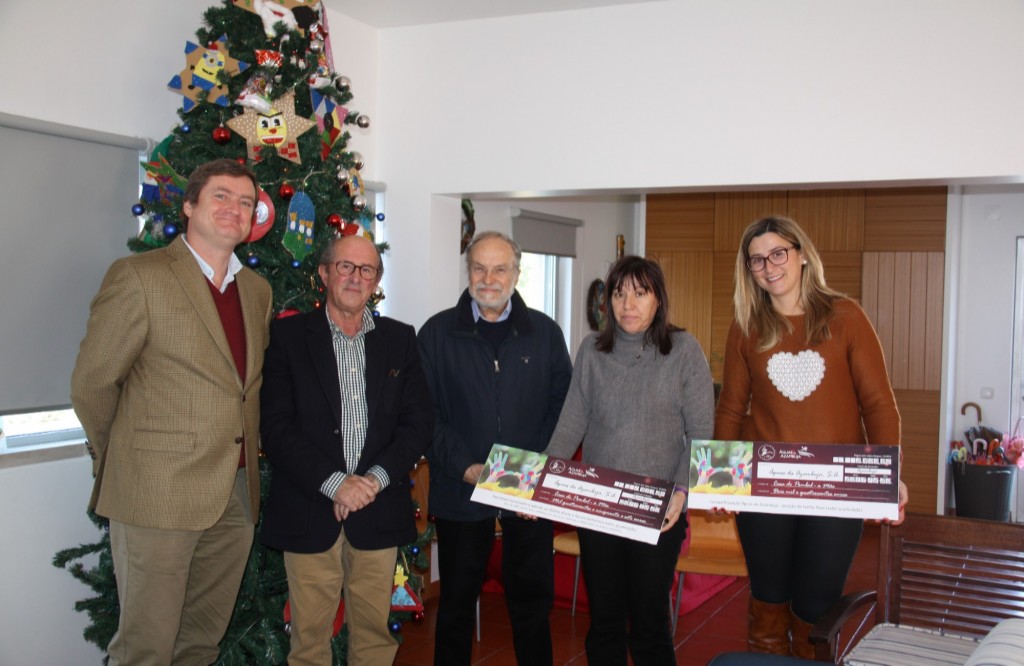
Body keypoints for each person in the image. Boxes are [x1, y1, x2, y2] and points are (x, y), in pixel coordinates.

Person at [70, 158, 273, 665]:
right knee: (146, 647)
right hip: (156, 493)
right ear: (189, 205)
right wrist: (120, 458)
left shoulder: (256, 291)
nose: (235, 209)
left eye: (245, 202)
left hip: (235, 494)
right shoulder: (140, 277)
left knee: (200, 644)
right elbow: (93, 383)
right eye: (221, 197)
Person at [715, 215, 908, 658]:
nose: (769, 266)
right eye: (757, 260)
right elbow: (730, 407)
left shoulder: (846, 317)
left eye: (778, 253)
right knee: (768, 602)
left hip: (836, 492)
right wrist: (719, 477)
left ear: (802, 254)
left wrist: (890, 474)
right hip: (763, 490)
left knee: (816, 605)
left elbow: (878, 404)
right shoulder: (746, 325)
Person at [260, 234, 434, 666]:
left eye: (367, 269)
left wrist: (370, 482)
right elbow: (276, 429)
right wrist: (337, 485)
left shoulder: (400, 338)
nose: (356, 278)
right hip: (309, 508)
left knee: (375, 638)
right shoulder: (287, 337)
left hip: (378, 510)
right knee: (309, 641)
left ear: (377, 280)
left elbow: (418, 424)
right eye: (345, 267)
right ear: (324, 273)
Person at [544, 255, 715, 666]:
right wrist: (541, 479)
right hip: (600, 506)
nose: (628, 304)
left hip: (659, 508)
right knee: (604, 621)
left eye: (640, 293)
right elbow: (572, 422)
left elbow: (701, 435)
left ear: (658, 300)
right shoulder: (592, 352)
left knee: (649, 622)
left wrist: (681, 492)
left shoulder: (684, 351)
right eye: (619, 294)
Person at [417, 231, 573, 666]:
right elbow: (425, 414)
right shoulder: (435, 334)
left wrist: (533, 466)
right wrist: (466, 466)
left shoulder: (544, 333)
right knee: (456, 609)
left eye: (500, 268)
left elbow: (564, 407)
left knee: (531, 609)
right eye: (479, 268)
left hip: (528, 491)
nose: (489, 278)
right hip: (461, 490)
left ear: (516, 274)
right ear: (468, 272)